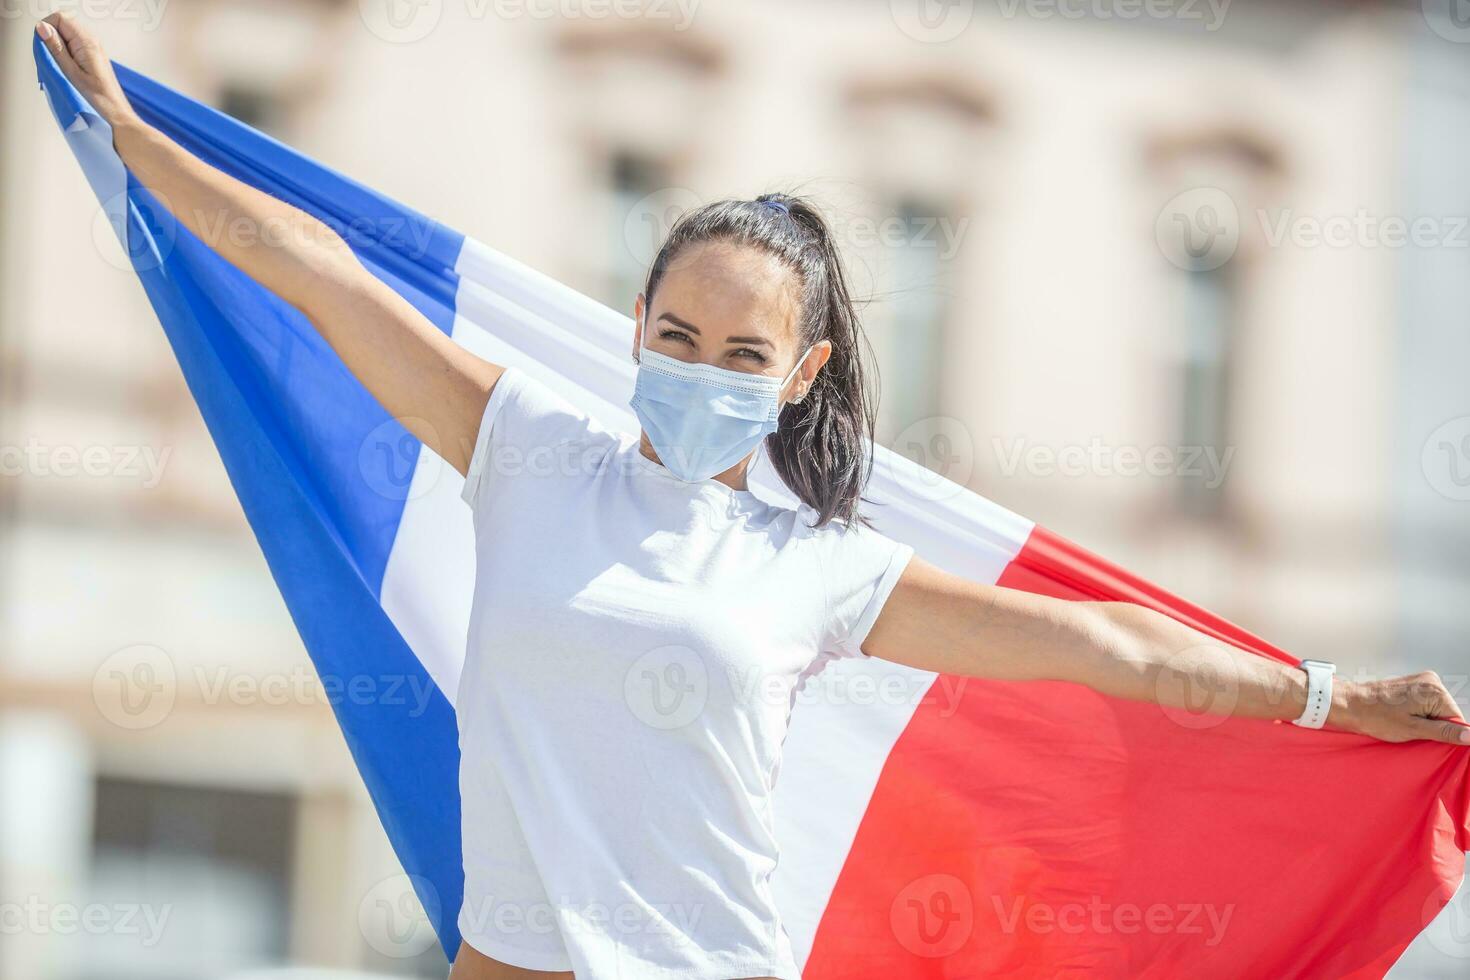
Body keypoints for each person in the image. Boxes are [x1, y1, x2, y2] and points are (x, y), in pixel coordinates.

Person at [37, 13, 1469, 980]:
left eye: (742, 353)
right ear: (635, 325)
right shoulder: (527, 449)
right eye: (676, 337)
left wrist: (1320, 696)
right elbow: (319, 280)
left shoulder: (818, 569)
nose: (700, 370)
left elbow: (1104, 647)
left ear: (800, 374)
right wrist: (137, 144)